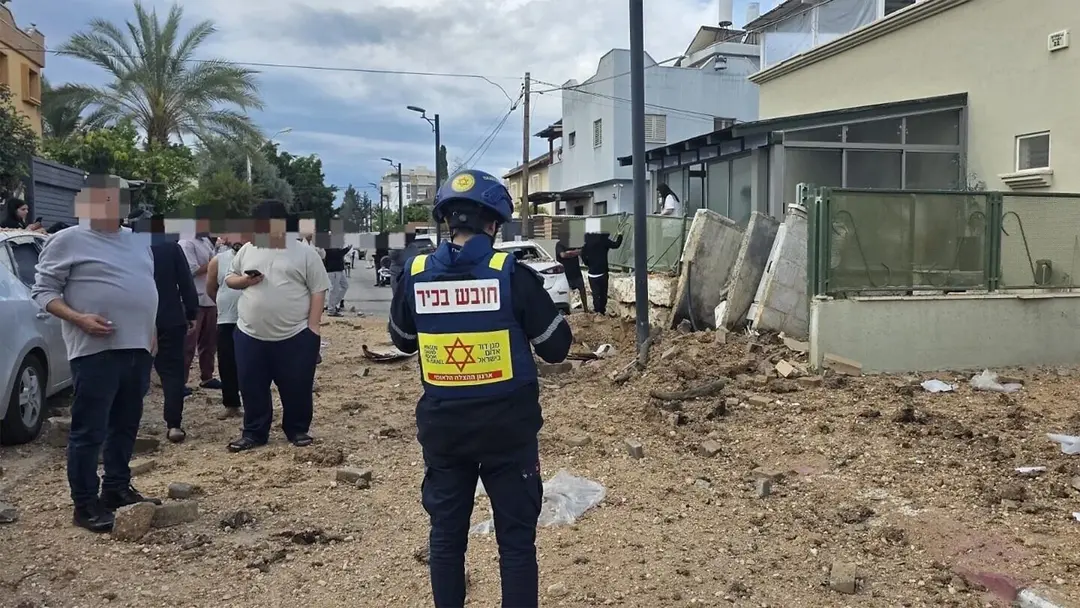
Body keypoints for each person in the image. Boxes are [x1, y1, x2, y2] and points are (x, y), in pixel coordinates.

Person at [389, 169, 572, 608]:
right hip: (507, 432)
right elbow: (556, 348)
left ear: (448, 221)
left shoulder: (415, 274)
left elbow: (402, 339)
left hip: (445, 432)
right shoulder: (512, 275)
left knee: (447, 539)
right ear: (494, 223)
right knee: (515, 542)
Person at [31, 195, 160, 533]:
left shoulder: (137, 240)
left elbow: (146, 288)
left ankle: (117, 487)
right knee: (89, 430)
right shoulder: (68, 240)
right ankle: (85, 502)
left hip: (138, 349)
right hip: (94, 350)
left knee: (126, 425)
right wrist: (78, 318)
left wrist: (152, 331)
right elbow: (43, 292)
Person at [224, 200, 330, 452]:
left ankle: (297, 429)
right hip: (250, 333)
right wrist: (245, 281)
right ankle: (254, 432)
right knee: (251, 386)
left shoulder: (304, 252)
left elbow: (318, 289)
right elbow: (230, 278)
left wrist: (313, 328)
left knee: (297, 385)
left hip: (295, 334)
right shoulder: (248, 249)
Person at [149, 231, 200, 443]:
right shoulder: (169, 246)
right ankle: (174, 425)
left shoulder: (124, 245)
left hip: (135, 317)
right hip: (169, 315)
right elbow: (185, 280)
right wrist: (191, 313)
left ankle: (125, 424)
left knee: (131, 372)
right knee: (172, 373)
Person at [206, 234, 246, 420]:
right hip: (226, 320)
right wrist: (223, 304)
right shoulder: (218, 260)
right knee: (227, 362)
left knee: (250, 363)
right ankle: (231, 404)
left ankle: (252, 402)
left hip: (251, 319)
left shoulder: (257, 257)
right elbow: (211, 288)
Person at [178, 231, 221, 393]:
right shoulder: (186, 243)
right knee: (188, 344)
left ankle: (207, 376)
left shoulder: (205, 241)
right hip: (194, 298)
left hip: (209, 297)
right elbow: (191, 270)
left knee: (209, 342)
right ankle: (180, 381)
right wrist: (214, 264)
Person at [580, 230, 623, 315]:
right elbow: (616, 245)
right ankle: (601, 312)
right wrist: (620, 235)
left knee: (595, 295)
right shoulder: (603, 240)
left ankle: (597, 312)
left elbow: (582, 254)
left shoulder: (587, 243)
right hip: (602, 273)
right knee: (603, 294)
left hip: (592, 274)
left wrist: (588, 263)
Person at [555, 240, 588, 313]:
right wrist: (575, 252)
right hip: (565, 274)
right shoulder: (559, 244)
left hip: (576, 272)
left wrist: (570, 253)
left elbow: (582, 251)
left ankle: (586, 309)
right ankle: (565, 310)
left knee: (582, 289)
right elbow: (563, 255)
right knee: (565, 293)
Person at [322, 241, 352, 316]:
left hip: (339, 269)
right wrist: (347, 249)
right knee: (334, 290)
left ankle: (332, 304)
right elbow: (337, 254)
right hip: (333, 269)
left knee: (345, 286)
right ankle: (331, 309)